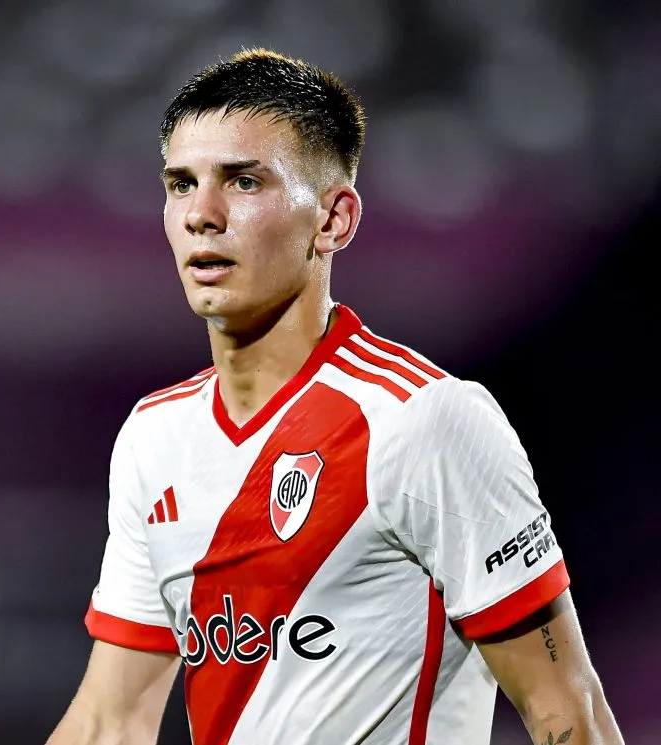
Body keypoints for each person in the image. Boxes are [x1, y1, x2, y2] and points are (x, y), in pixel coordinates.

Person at [46, 48, 624, 745]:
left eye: (244, 181)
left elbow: (566, 709)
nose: (202, 213)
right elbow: (110, 722)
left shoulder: (426, 421)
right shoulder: (154, 437)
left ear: (333, 221)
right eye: (180, 183)